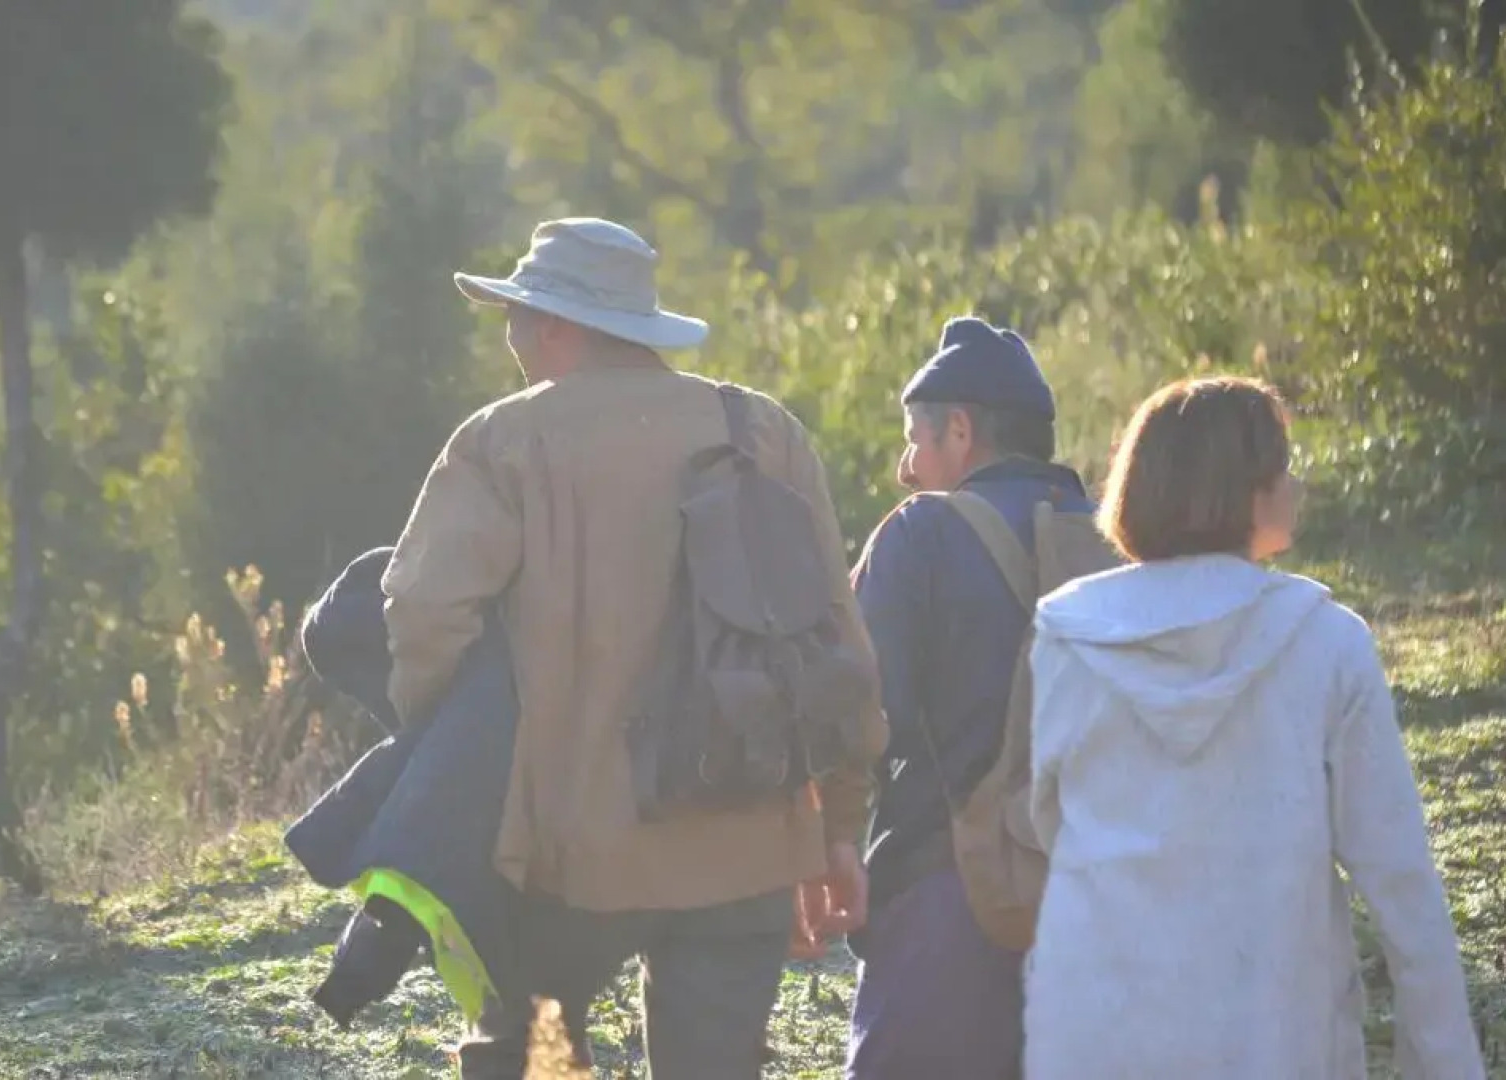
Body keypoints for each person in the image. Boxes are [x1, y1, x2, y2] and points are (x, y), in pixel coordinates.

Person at [380, 217, 888, 1079]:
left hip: (565, 864)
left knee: (529, 1059)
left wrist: (455, 767)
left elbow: (425, 617)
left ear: (556, 326)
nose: (507, 338)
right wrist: (837, 825)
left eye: (513, 316)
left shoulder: (505, 440)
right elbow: (834, 642)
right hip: (746, 843)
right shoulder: (763, 432)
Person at [1025, 376, 1485, 1078]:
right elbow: (1399, 880)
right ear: (1240, 490)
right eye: (1281, 466)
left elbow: (1048, 824)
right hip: (1272, 1030)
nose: (1295, 483)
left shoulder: (1067, 635)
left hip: (1092, 1024)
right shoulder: (1325, 644)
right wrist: (1447, 1061)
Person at [843, 317, 1090, 1078]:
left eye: (914, 440)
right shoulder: (1114, 535)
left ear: (959, 429)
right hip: (1099, 895)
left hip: (945, 892)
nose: (905, 469)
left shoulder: (918, 534)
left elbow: (859, 712)